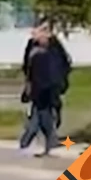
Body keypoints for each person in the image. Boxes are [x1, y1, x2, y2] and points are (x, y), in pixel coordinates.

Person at [19, 27, 65, 156]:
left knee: (42, 119)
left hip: (46, 91)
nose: (37, 36)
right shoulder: (36, 51)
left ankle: (29, 142)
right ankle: (39, 142)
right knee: (42, 118)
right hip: (41, 91)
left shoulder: (50, 52)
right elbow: (28, 70)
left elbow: (59, 68)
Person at [23, 23, 71, 128]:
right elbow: (27, 64)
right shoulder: (32, 45)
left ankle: (49, 128)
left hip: (52, 82)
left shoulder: (55, 45)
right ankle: (40, 132)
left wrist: (62, 79)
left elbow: (64, 62)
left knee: (52, 104)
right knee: (39, 108)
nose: (34, 35)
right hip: (38, 83)